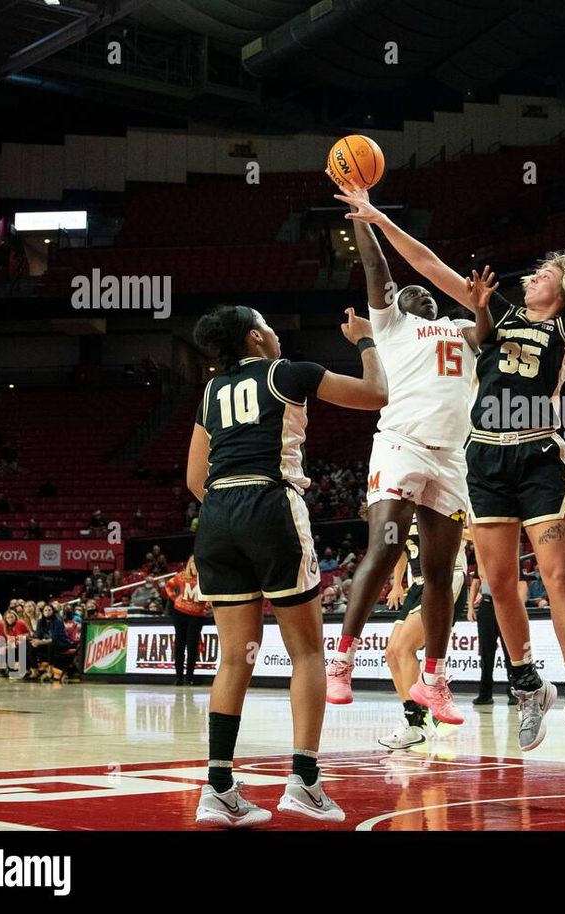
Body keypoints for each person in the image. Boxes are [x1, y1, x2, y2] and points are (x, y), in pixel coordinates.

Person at [339, 181, 565, 752]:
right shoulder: (492, 311)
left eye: (543, 276)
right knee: (498, 586)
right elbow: (427, 262)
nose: (531, 278)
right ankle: (527, 688)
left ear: (564, 290)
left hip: (539, 452)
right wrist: (375, 215)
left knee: (558, 577)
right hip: (484, 456)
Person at [187, 303, 386, 827]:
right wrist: (366, 342)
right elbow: (376, 395)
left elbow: (194, 478)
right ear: (256, 337)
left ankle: (219, 787)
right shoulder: (287, 371)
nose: (277, 332)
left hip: (217, 515)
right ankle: (303, 780)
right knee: (306, 653)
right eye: (271, 325)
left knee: (235, 658)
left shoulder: (210, 392)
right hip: (269, 505)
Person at [325, 183, 496, 733]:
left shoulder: (459, 330)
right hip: (401, 443)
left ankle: (435, 677)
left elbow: (487, 339)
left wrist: (483, 305)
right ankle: (344, 657)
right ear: (394, 307)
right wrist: (362, 217)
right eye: (409, 292)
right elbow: (379, 272)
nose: (419, 293)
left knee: (442, 575)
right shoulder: (393, 325)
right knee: (385, 547)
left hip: (450, 458)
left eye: (427, 292)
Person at [378, 522, 472, 749]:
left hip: (447, 578)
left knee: (404, 648)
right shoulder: (397, 512)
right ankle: (415, 719)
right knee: (391, 653)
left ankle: (416, 723)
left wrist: (454, 532)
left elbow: (476, 535)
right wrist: (397, 584)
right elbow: (400, 551)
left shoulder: (443, 498)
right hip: (417, 585)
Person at [470, 563, 519, 707]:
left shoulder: (511, 556)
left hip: (506, 603)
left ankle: (514, 693)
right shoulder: (483, 558)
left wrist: (517, 607)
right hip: (486, 605)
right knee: (486, 653)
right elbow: (475, 583)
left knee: (510, 652)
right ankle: (485, 695)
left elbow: (522, 585)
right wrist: (471, 606)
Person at [165, 556, 209, 686]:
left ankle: (189, 677)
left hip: (197, 615)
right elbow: (168, 586)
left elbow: (211, 595)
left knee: (192, 645)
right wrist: (175, 598)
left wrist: (207, 604)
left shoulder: (205, 578)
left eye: (197, 563)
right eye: (193, 563)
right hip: (180, 613)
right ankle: (179, 677)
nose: (195, 566)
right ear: (189, 564)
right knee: (179, 644)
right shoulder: (182, 576)